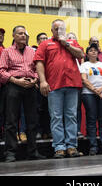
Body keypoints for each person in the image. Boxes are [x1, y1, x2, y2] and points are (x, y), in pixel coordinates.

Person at [34, 20, 85, 159]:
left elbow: (81, 55)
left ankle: (72, 146)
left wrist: (66, 43)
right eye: (56, 29)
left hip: (72, 84)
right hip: (54, 85)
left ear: (65, 30)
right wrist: (43, 81)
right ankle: (59, 147)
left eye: (61, 29)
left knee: (71, 116)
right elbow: (39, 63)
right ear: (52, 31)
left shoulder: (72, 43)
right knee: (56, 117)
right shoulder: (45, 44)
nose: (58, 31)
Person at [0, 26, 44, 162]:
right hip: (14, 86)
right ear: (13, 35)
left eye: (24, 33)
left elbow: (37, 68)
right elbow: (1, 71)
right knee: (11, 121)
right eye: (20, 33)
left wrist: (35, 79)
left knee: (32, 121)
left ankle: (33, 151)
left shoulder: (33, 51)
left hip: (30, 86)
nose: (23, 36)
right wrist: (17, 81)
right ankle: (10, 153)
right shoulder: (6, 51)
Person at [80, 43, 102, 155]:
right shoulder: (84, 65)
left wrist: (101, 89)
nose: (93, 52)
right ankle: (93, 146)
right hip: (88, 94)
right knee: (91, 119)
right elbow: (84, 80)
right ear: (87, 53)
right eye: (91, 50)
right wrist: (95, 91)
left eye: (95, 50)